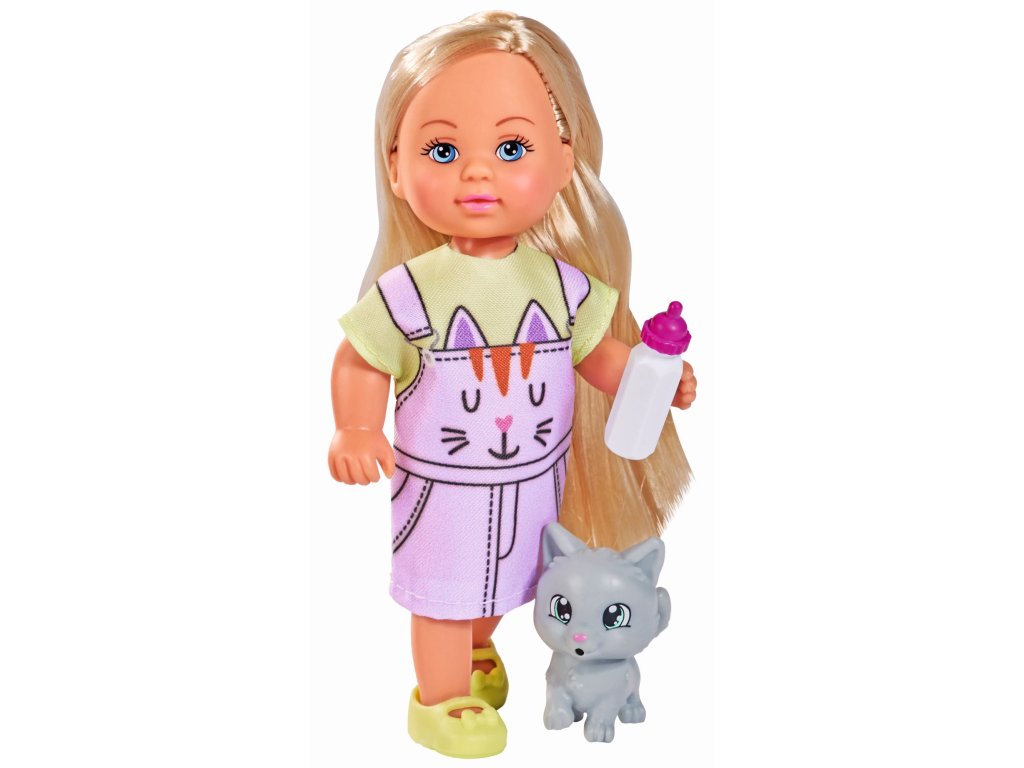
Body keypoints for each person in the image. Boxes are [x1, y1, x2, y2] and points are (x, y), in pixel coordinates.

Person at [327, 11, 697, 758]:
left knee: (506, 582)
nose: (477, 172)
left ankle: (474, 648)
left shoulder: (559, 285)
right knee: (444, 591)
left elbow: (594, 356)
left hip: (532, 482)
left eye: (511, 148)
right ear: (396, 167)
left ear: (563, 162)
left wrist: (651, 377)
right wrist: (356, 427)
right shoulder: (412, 292)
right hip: (444, 488)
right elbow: (361, 357)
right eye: (442, 150)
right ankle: (441, 700)